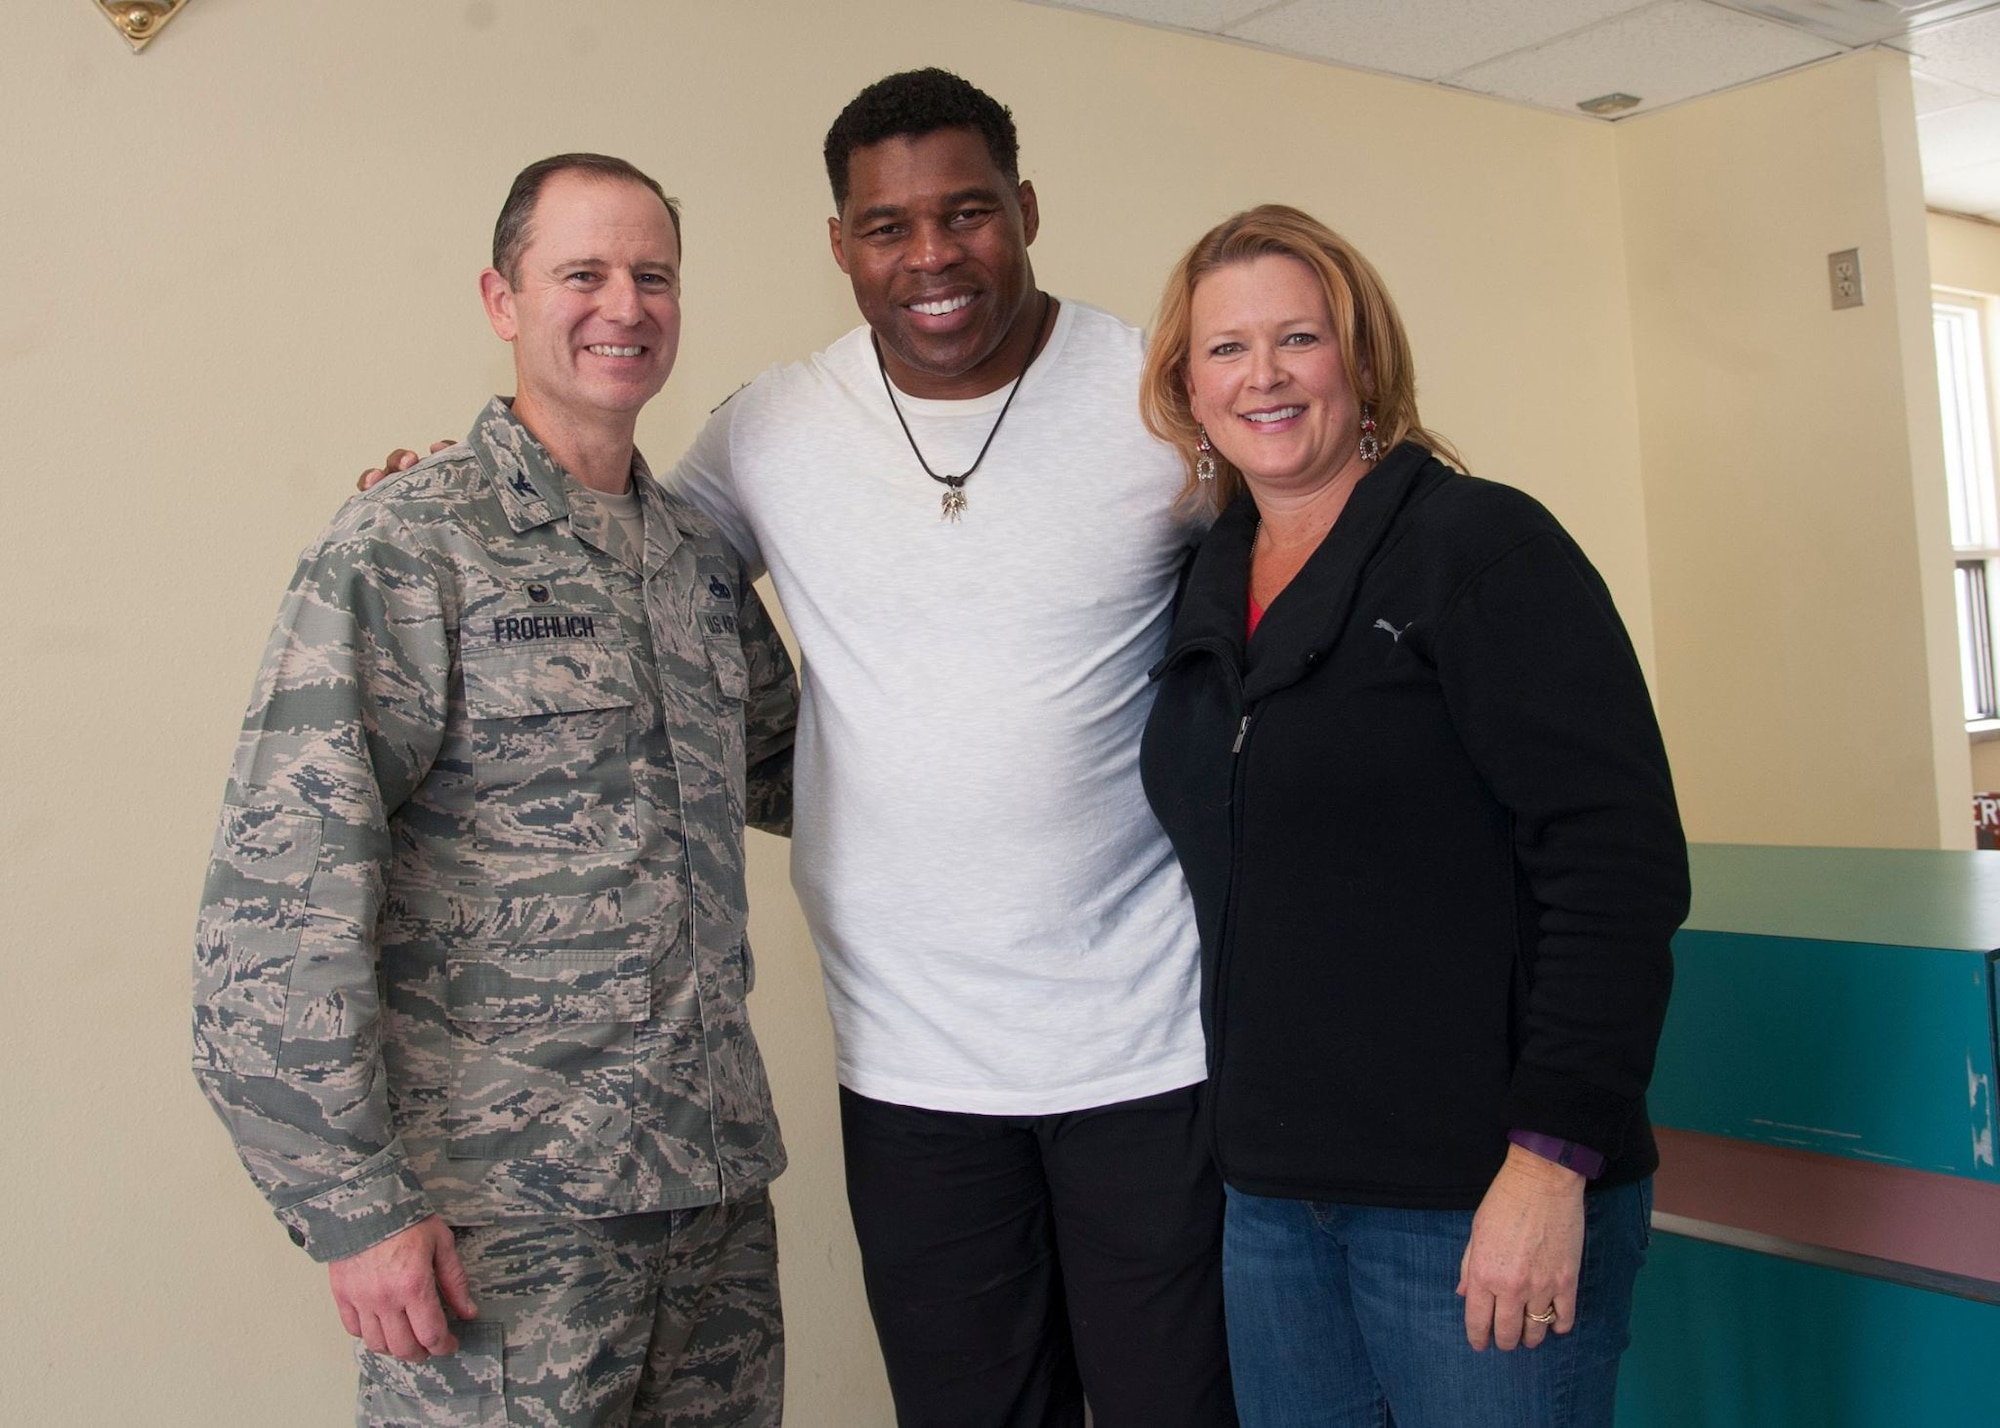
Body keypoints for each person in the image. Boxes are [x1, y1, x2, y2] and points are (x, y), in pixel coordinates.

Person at [369, 69, 1233, 1428]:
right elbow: (614, 547)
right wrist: (450, 501)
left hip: (1152, 1048)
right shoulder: (769, 431)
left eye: (970, 213)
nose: (932, 254)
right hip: (908, 1068)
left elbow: (1309, 541)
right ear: (840, 244)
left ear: (1028, 211)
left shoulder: (1165, 401)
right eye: (888, 226)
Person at [193, 153, 798, 1427]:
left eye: (653, 276)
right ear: (500, 299)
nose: (622, 306)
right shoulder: (408, 546)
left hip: (710, 1202)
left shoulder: (693, 561)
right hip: (505, 1222)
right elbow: (278, 900)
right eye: (581, 273)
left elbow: (809, 775)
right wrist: (352, 1209)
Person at [1136, 205, 1687, 1428]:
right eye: (1225, 349)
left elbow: (1616, 867)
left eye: (1298, 339)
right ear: (1185, 382)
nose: (1263, 376)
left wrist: (1551, 1165)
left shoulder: (1480, 548)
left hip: (1477, 1196)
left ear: (1363, 360)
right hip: (1273, 1205)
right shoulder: (1205, 578)